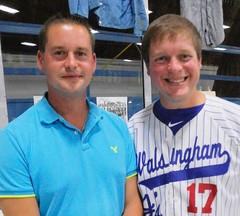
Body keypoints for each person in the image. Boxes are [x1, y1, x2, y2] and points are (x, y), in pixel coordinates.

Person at [128, 14, 240, 216]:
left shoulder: (237, 121)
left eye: (184, 56)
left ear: (199, 61)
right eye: (162, 58)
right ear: (149, 67)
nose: (175, 67)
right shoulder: (132, 130)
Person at [0, 14, 142, 216]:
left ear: (93, 62)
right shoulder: (13, 141)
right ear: (41, 60)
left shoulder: (118, 127)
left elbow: (132, 203)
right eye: (60, 53)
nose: (71, 63)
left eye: (80, 53)